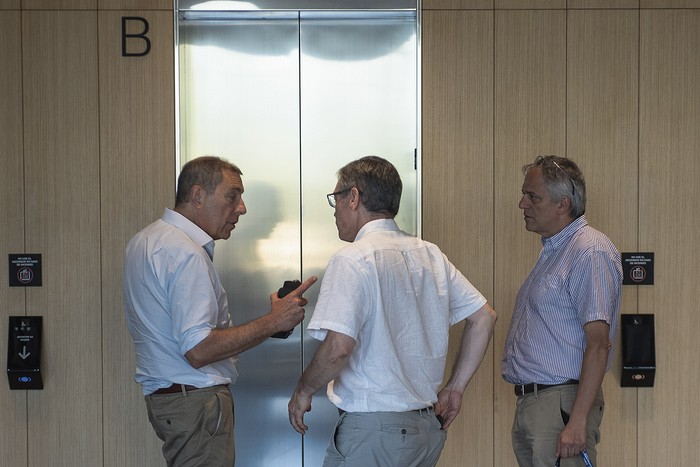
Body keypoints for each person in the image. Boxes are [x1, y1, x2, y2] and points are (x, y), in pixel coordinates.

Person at [288, 155, 497, 467]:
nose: (336, 211)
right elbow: (484, 316)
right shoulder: (431, 255)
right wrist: (455, 388)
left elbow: (339, 348)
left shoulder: (353, 259)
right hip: (424, 430)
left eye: (336, 199)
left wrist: (303, 391)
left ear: (354, 197)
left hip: (372, 432)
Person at [123, 156, 317, 466]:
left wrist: (272, 324)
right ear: (198, 196)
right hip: (196, 402)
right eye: (232, 195)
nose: (241, 208)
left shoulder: (145, 241)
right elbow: (198, 350)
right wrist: (272, 321)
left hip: (173, 401)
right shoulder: (186, 253)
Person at [501, 155, 623, 467]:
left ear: (562, 205)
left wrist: (577, 421)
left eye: (533, 196)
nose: (522, 204)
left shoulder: (589, 251)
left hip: (562, 406)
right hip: (537, 405)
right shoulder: (555, 251)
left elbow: (599, 343)